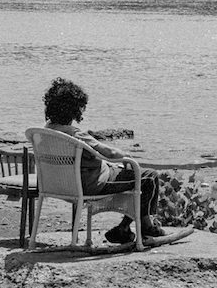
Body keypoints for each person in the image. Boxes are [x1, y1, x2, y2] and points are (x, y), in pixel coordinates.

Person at [42, 77, 164, 243]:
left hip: (60, 184)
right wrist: (127, 156)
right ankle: (143, 227)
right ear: (75, 109)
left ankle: (127, 228)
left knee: (133, 175)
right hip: (91, 184)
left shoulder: (45, 131)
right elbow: (111, 152)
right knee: (149, 177)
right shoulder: (76, 135)